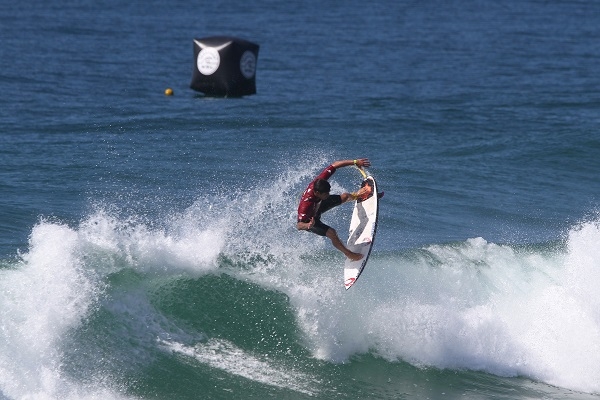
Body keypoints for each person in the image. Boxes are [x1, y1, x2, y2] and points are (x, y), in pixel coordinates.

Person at [297, 158, 372, 261]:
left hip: (319, 203)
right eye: (326, 194)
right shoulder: (306, 205)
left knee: (345, 196)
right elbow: (299, 225)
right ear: (317, 193)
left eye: (328, 192)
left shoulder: (320, 182)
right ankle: (350, 255)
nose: (328, 195)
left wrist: (355, 162)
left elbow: (335, 165)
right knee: (332, 233)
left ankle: (358, 196)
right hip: (310, 220)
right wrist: (308, 225)